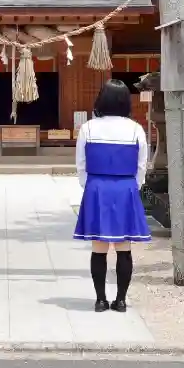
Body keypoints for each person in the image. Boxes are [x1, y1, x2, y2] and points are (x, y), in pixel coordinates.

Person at [73, 78, 151, 312]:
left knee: (99, 247)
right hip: (125, 188)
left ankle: (100, 300)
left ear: (102, 99)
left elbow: (81, 164)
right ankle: (121, 300)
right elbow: (142, 165)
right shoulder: (136, 129)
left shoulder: (88, 128)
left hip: (97, 187)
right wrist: (134, 186)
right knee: (123, 247)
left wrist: (89, 185)